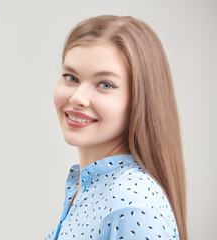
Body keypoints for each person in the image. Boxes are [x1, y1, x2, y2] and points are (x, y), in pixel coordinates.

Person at [45, 15, 187, 240]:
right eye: (71, 77)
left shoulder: (131, 205)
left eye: (105, 84)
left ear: (141, 99)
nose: (78, 97)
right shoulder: (87, 188)